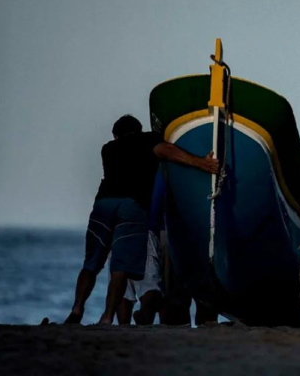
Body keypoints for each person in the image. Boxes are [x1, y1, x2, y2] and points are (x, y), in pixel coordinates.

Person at [65, 114, 219, 325]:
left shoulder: (108, 149)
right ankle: (107, 317)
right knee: (120, 267)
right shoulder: (146, 140)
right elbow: (167, 151)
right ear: (138, 130)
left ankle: (77, 309)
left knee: (91, 263)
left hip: (103, 204)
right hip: (132, 206)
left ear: (116, 135)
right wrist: (200, 163)